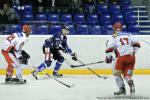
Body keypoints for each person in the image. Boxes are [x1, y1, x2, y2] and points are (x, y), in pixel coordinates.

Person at [105, 22, 140, 95]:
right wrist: (133, 53)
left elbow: (109, 48)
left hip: (121, 59)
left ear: (114, 28)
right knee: (128, 74)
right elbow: (137, 44)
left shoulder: (113, 36)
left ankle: (122, 89)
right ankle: (131, 84)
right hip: (132, 58)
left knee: (116, 73)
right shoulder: (129, 34)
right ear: (121, 28)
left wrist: (108, 57)